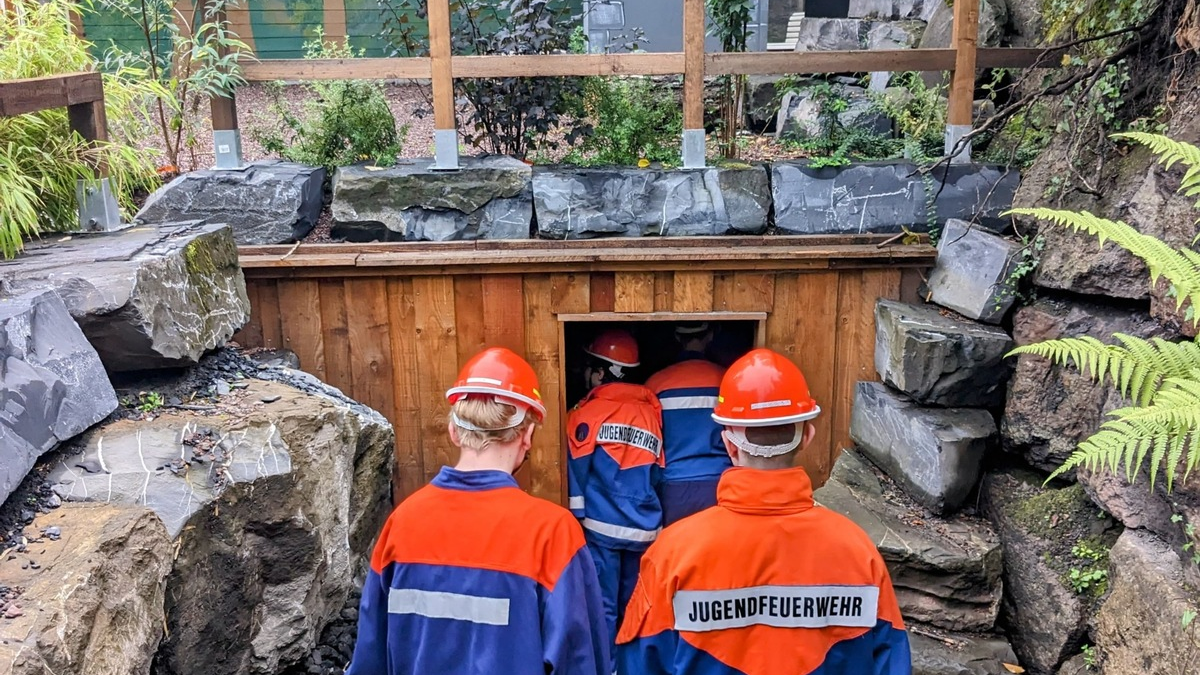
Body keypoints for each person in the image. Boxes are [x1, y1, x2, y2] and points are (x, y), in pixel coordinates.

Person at [616, 348, 912, 675]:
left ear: (729, 444)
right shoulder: (859, 554)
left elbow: (640, 663)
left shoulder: (671, 556)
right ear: (807, 438)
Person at [348, 347, 610, 675]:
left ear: (454, 431)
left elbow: (369, 660)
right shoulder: (552, 532)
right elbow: (581, 662)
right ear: (527, 435)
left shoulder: (401, 522)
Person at [567, 328, 664, 663]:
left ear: (600, 372)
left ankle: (608, 668)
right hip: (645, 531)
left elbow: (576, 471)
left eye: (588, 367)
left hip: (601, 529)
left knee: (603, 607)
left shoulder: (586, 413)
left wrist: (574, 519)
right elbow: (658, 473)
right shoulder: (652, 414)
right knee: (637, 606)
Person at [644, 324, 733, 527]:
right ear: (710, 335)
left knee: (676, 554)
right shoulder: (728, 381)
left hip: (673, 488)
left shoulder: (655, 384)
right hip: (722, 484)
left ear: (677, 337)